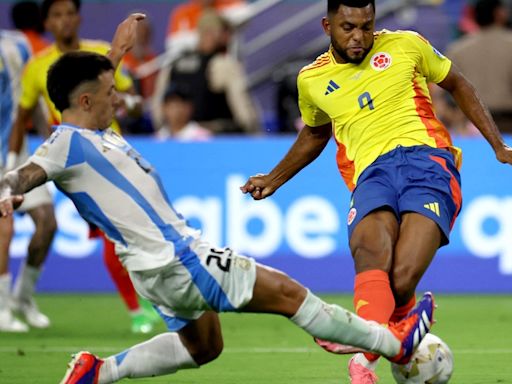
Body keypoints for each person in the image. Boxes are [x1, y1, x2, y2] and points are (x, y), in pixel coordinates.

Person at [0, 15, 435, 383]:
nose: (120, 97)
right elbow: (23, 175)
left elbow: (86, 92)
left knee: (205, 347)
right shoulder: (63, 144)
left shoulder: (89, 128)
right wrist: (6, 190)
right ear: (86, 100)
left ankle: (99, 372)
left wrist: (115, 53)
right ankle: (393, 344)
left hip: (153, 270)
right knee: (288, 294)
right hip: (178, 258)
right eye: (110, 91)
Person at [240, 0, 512, 382]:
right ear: (327, 26)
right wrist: (274, 177)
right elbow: (316, 133)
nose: (359, 36)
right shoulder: (311, 79)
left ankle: (363, 343)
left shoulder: (406, 45)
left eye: (366, 26)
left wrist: (498, 145)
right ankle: (374, 353)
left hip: (427, 164)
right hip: (371, 175)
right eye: (348, 27)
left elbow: (457, 84)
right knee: (370, 253)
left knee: (401, 279)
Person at [6, 0, 156, 333]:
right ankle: (137, 311)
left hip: (117, 152)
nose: (64, 21)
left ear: (78, 17)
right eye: (56, 15)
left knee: (136, 232)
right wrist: (14, 160)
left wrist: (129, 104)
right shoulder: (36, 66)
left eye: (69, 13)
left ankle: (148, 299)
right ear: (47, 21)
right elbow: (23, 115)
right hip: (78, 161)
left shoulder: (99, 53)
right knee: (110, 236)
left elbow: (132, 101)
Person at [154, 11, 260, 135]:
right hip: (215, 140)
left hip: (177, 139)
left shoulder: (173, 64)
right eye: (226, 33)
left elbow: (158, 110)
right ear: (212, 33)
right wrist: (254, 136)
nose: (230, 39)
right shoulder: (223, 64)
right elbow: (245, 114)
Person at [0, 29, 33, 332]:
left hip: (7, 149)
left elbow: (21, 105)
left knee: (5, 226)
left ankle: (5, 308)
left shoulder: (17, 46)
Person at [446, 0, 512, 134]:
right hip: (507, 125)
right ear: (500, 14)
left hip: (470, 128)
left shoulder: (456, 49)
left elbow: (437, 95)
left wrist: (454, 119)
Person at [165, 0, 250, 56]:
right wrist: (208, 36)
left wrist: (218, 21)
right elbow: (174, 45)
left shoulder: (224, 3)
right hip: (197, 64)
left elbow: (244, 14)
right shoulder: (183, 12)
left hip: (225, 59)